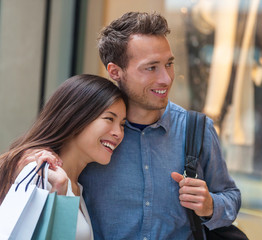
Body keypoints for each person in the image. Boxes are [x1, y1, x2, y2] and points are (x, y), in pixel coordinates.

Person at [76, 11, 241, 239]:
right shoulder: (89, 131)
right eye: (151, 67)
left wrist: (210, 205)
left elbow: (231, 196)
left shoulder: (198, 129)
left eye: (169, 64)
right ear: (115, 71)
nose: (166, 78)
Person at [0, 74, 127, 240]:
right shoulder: (38, 172)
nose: (118, 133)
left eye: (122, 125)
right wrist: (58, 191)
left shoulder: (75, 188)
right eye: (109, 119)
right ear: (76, 117)